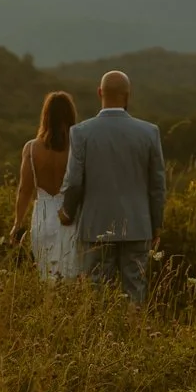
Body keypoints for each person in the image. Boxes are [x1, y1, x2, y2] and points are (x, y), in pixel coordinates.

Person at [57, 70, 166, 303]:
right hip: (138, 225)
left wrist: (67, 212)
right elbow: (157, 185)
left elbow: (74, 181)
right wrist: (156, 223)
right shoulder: (149, 132)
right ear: (128, 95)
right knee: (135, 291)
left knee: (95, 292)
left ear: (100, 93)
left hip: (95, 225)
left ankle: (98, 338)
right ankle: (134, 336)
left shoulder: (81, 132)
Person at [14, 90, 85, 282]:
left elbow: (24, 190)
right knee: (74, 275)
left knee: (46, 274)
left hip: (43, 217)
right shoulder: (78, 146)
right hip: (71, 215)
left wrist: (17, 224)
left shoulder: (31, 148)